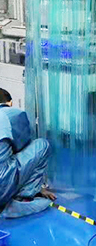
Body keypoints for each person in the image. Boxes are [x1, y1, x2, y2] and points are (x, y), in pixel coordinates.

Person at [0, 88, 55, 218]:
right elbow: (24, 147)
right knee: (41, 145)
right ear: (10, 103)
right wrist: (38, 186)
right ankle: (22, 199)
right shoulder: (12, 114)